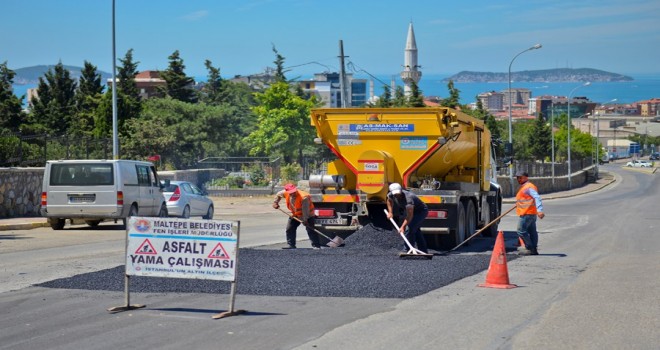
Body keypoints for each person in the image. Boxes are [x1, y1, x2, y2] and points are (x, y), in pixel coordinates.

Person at [272, 183, 322, 249]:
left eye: (293, 192)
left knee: (310, 229)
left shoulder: (304, 197)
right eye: (291, 193)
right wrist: (275, 202)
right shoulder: (285, 193)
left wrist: (305, 220)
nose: (293, 193)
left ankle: (316, 246)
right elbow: (278, 194)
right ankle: (291, 245)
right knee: (290, 228)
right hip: (296, 214)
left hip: (308, 215)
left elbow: (305, 210)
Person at [385, 183, 429, 253]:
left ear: (401, 190)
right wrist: (390, 212)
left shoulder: (408, 198)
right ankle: (423, 250)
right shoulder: (391, 194)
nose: (397, 195)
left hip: (420, 211)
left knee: (410, 228)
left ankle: (407, 249)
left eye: (398, 193)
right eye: (395, 194)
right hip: (411, 211)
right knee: (415, 229)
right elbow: (389, 200)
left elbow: (409, 216)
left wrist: (402, 227)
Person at [515, 171, 545, 255]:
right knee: (532, 231)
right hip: (530, 213)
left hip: (527, 214)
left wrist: (540, 210)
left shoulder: (528, 187)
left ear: (526, 177)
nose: (518, 179)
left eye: (520, 177)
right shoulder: (524, 187)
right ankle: (534, 249)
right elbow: (526, 200)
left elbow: (537, 198)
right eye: (517, 178)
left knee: (520, 231)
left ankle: (530, 247)